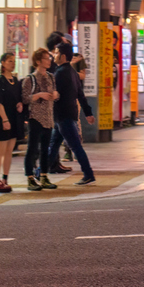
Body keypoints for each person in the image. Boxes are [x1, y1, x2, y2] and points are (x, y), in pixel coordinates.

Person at [52, 42, 97, 185]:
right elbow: (81, 95)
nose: (55, 55)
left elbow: (56, 95)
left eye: (57, 52)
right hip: (68, 114)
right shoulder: (72, 72)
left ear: (63, 56)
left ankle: (88, 173)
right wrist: (88, 113)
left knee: (75, 146)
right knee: (53, 145)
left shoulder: (59, 73)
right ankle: (41, 171)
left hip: (62, 115)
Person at [0, 52, 24, 193]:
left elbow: (17, 98)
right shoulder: (0, 80)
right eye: (9, 61)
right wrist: (5, 119)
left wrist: (20, 104)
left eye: (13, 61)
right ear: (2, 63)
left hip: (14, 118)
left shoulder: (15, 80)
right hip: (3, 118)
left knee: (9, 150)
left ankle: (5, 178)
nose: (12, 63)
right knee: (0, 150)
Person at [22, 47, 58, 191]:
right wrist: (39, 95)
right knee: (32, 148)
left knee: (45, 148)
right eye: (46, 58)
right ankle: (30, 177)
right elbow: (25, 98)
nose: (49, 61)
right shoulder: (30, 79)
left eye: (49, 58)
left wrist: (55, 94)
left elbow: (55, 92)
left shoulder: (50, 77)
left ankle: (44, 175)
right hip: (35, 117)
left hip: (48, 117)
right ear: (38, 61)